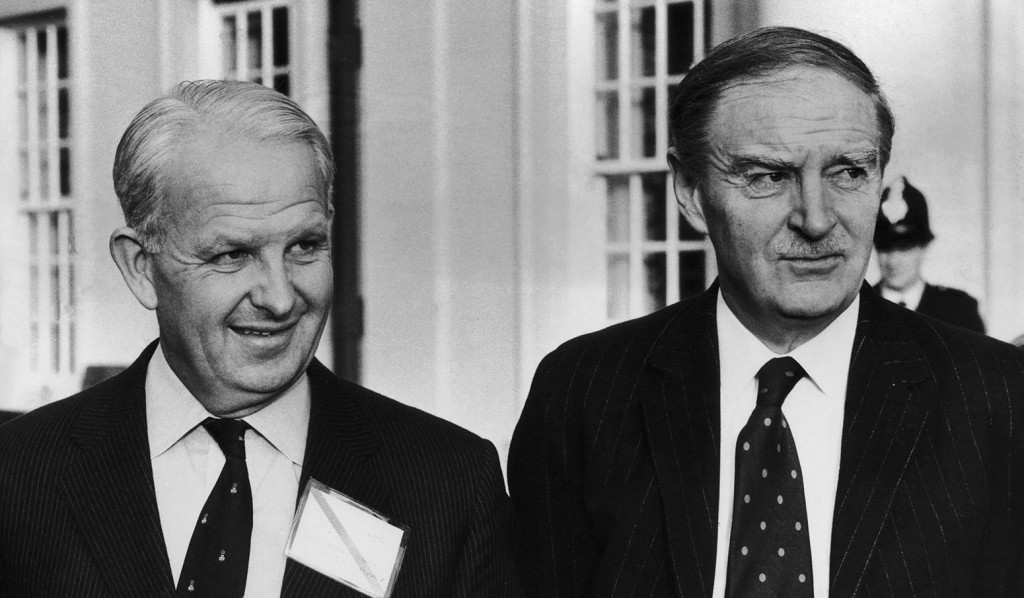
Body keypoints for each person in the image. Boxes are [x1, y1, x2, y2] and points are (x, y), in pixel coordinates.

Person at [509, 26, 1024, 598]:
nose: (817, 218)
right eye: (768, 176)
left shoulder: (998, 400)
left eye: (848, 171)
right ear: (691, 192)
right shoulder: (583, 393)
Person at [0, 80, 521, 597]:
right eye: (232, 255)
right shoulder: (20, 475)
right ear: (140, 267)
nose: (279, 298)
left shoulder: (447, 483)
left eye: (304, 245)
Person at [874, 176, 986, 333]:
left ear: (924, 247)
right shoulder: (855, 309)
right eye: (885, 248)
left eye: (904, 249)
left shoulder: (959, 312)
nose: (893, 261)